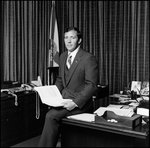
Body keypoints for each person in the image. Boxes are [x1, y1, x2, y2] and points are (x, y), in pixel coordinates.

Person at [38, 27, 98, 147]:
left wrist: (75, 103)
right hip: (64, 101)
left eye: (73, 37)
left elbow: (91, 85)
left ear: (79, 40)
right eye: (66, 38)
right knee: (50, 112)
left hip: (80, 104)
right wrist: (52, 95)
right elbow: (60, 79)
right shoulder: (63, 56)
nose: (68, 41)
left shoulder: (88, 58)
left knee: (51, 116)